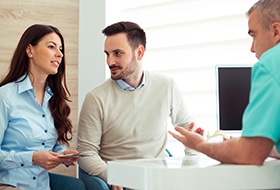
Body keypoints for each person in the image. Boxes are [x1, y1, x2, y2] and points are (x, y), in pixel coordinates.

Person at [77, 21, 202, 190]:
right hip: (121, 184)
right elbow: (86, 153)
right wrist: (114, 176)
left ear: (139, 52)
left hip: (158, 181)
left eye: (117, 53)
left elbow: (189, 130)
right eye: (107, 54)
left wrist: (190, 169)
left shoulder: (166, 86)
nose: (110, 61)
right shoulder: (96, 98)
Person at [169, 0, 280, 165]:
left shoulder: (271, 63)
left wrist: (201, 145)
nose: (252, 48)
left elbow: (249, 154)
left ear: (275, 31)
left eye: (253, 35)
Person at [0, 24, 86, 190]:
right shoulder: (5, 96)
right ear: (29, 50)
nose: (59, 54)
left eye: (60, 49)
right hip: (8, 184)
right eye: (51, 47)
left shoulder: (55, 98)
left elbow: (48, 145)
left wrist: (62, 154)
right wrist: (31, 158)